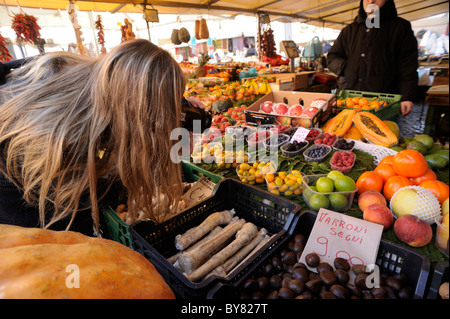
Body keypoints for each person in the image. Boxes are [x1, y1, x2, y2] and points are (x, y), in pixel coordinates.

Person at [0, 39, 186, 236]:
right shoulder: (64, 133)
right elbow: (77, 198)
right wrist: (119, 190)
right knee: (66, 238)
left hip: (36, 163)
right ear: (138, 106)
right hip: (16, 187)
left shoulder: (98, 82)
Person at [327, 0, 418, 115]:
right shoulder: (349, 30)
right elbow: (332, 57)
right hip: (348, 99)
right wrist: (346, 68)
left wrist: (407, 96)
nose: (371, 1)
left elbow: (407, 66)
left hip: (382, 104)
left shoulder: (399, 28)